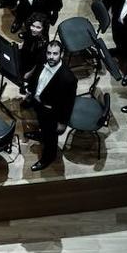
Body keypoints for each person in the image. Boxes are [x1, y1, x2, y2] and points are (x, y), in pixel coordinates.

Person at [22, 40, 77, 171]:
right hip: (39, 104)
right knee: (42, 126)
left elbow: (69, 104)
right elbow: (36, 78)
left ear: (61, 54)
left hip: (52, 113)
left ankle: (48, 157)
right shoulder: (43, 61)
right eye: (49, 53)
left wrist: (63, 123)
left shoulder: (68, 78)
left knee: (51, 137)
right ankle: (41, 135)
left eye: (55, 54)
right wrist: (31, 92)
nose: (51, 57)